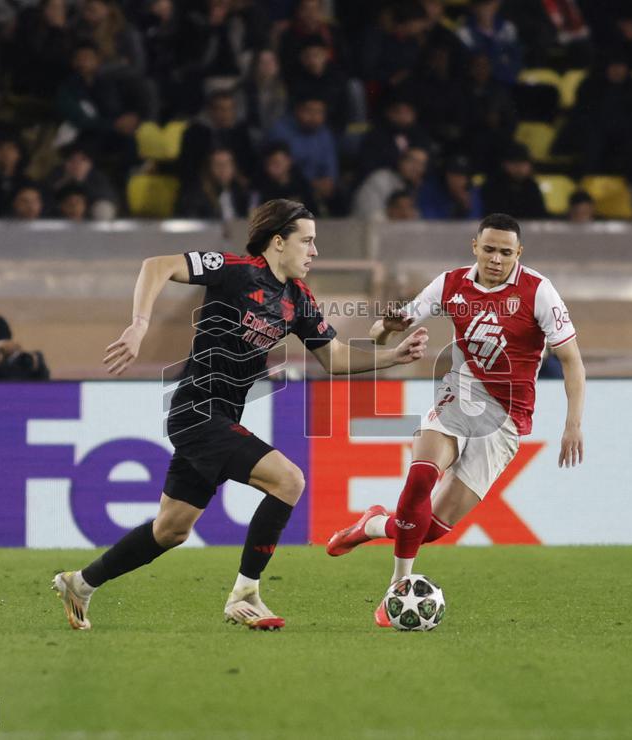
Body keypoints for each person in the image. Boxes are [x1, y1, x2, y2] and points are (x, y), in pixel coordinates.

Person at [52, 199, 429, 631]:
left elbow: (335, 358)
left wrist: (394, 356)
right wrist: (139, 324)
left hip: (221, 415)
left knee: (171, 530)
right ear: (277, 242)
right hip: (196, 410)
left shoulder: (297, 299)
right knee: (288, 480)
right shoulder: (234, 270)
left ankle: (80, 583)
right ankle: (245, 593)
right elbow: (156, 265)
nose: (314, 251)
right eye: (306, 240)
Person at [326, 213, 585, 627]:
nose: (496, 259)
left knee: (429, 529)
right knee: (421, 478)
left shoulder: (539, 292)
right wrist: (387, 331)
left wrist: (573, 423)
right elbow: (384, 330)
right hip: (459, 395)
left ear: (518, 253)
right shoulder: (450, 284)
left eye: (505, 252)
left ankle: (372, 525)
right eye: (489, 249)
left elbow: (572, 360)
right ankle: (397, 590)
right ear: (474, 247)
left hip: (506, 420)